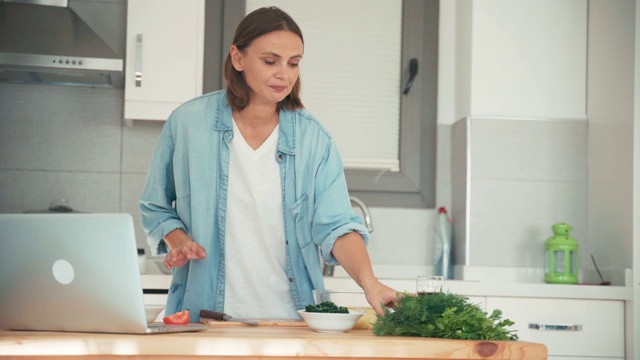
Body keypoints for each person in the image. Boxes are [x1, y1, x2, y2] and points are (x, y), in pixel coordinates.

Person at [139, 6, 399, 322]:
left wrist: (368, 282)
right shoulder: (187, 124)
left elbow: (337, 227)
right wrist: (180, 242)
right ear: (238, 58)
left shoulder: (314, 140)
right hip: (204, 320)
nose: (284, 74)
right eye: (270, 61)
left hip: (291, 322)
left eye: (293, 63)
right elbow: (155, 205)